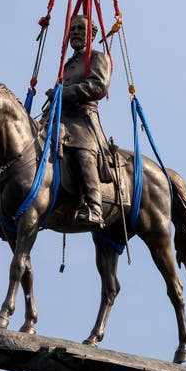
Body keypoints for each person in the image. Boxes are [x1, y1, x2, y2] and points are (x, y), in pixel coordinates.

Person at [59, 13, 112, 227]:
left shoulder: (99, 57)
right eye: (72, 30)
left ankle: (94, 207)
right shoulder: (68, 64)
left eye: (81, 29)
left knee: (83, 154)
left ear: (93, 33)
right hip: (61, 117)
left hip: (84, 119)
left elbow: (99, 86)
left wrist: (64, 93)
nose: (76, 33)